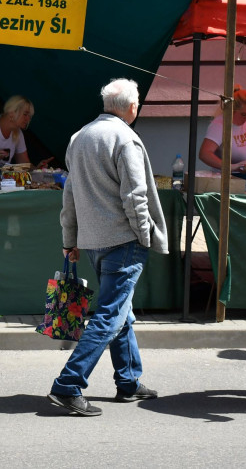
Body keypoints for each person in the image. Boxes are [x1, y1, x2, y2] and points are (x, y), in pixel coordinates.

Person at [47, 78, 166, 417]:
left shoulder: (79, 137)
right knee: (111, 315)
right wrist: (144, 235)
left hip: (94, 241)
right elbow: (135, 196)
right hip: (123, 239)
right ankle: (68, 384)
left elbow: (70, 195)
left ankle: (128, 381)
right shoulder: (125, 139)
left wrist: (69, 239)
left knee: (120, 312)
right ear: (132, 107)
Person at [198, 85, 246, 171]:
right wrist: (230, 167)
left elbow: (245, 143)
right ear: (231, 110)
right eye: (243, 114)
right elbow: (205, 154)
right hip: (232, 177)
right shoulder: (219, 125)